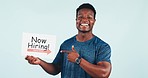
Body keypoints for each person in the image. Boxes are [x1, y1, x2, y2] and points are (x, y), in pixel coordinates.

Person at [25, 3, 112, 78]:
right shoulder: (66, 44)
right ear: (76, 20)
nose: (84, 20)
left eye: (89, 17)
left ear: (94, 21)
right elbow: (55, 69)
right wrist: (40, 62)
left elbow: (104, 73)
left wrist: (78, 60)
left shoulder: (102, 46)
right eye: (80, 17)